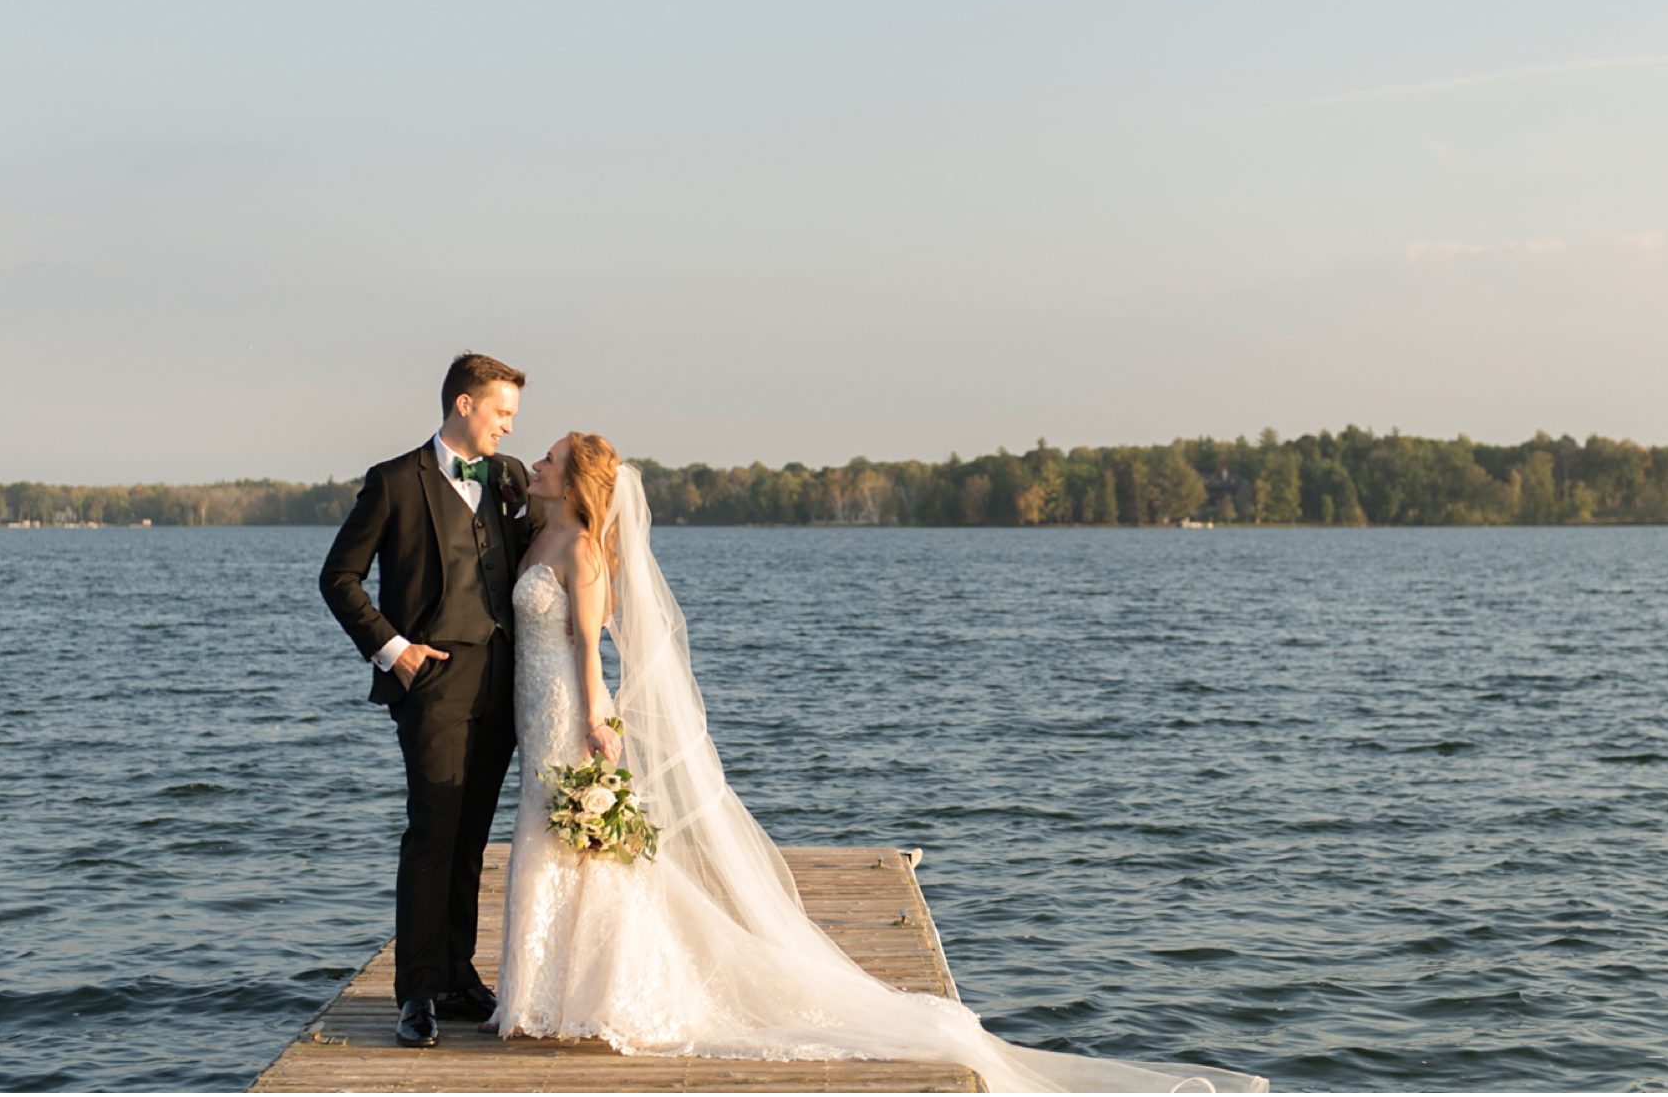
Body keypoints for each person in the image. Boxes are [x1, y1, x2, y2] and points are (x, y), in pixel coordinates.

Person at [483, 431, 1269, 1093]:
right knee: (557, 845)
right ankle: (548, 998)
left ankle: (588, 999)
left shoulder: (584, 550)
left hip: (569, 714)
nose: (539, 465)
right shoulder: (540, 531)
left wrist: (594, 722)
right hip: (535, 708)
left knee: (579, 849)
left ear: (577, 482)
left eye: (550, 459)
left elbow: (589, 647)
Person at [318, 351, 538, 1048]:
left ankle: (456, 975)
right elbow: (338, 578)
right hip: (434, 682)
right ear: (464, 404)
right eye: (501, 412)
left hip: (502, 683)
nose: (508, 426)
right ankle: (415, 993)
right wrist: (395, 650)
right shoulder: (393, 483)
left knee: (472, 838)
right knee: (432, 832)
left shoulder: (509, 478)